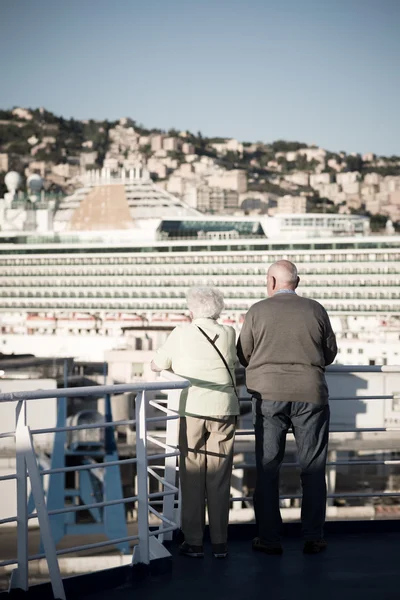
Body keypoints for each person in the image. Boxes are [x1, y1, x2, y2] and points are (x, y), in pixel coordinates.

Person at [237, 260, 337, 555]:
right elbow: (329, 352)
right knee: (313, 467)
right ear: (298, 281)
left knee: (268, 468)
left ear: (270, 282)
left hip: (267, 395)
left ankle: (269, 539)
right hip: (311, 393)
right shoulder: (316, 309)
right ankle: (314, 536)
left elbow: (244, 353)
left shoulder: (257, 311)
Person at [151, 286, 239, 559]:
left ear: (192, 309)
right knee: (220, 476)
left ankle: (194, 541)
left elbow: (157, 363)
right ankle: (221, 542)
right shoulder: (229, 332)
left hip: (191, 409)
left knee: (191, 476)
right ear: (218, 310)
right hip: (224, 409)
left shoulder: (181, 333)